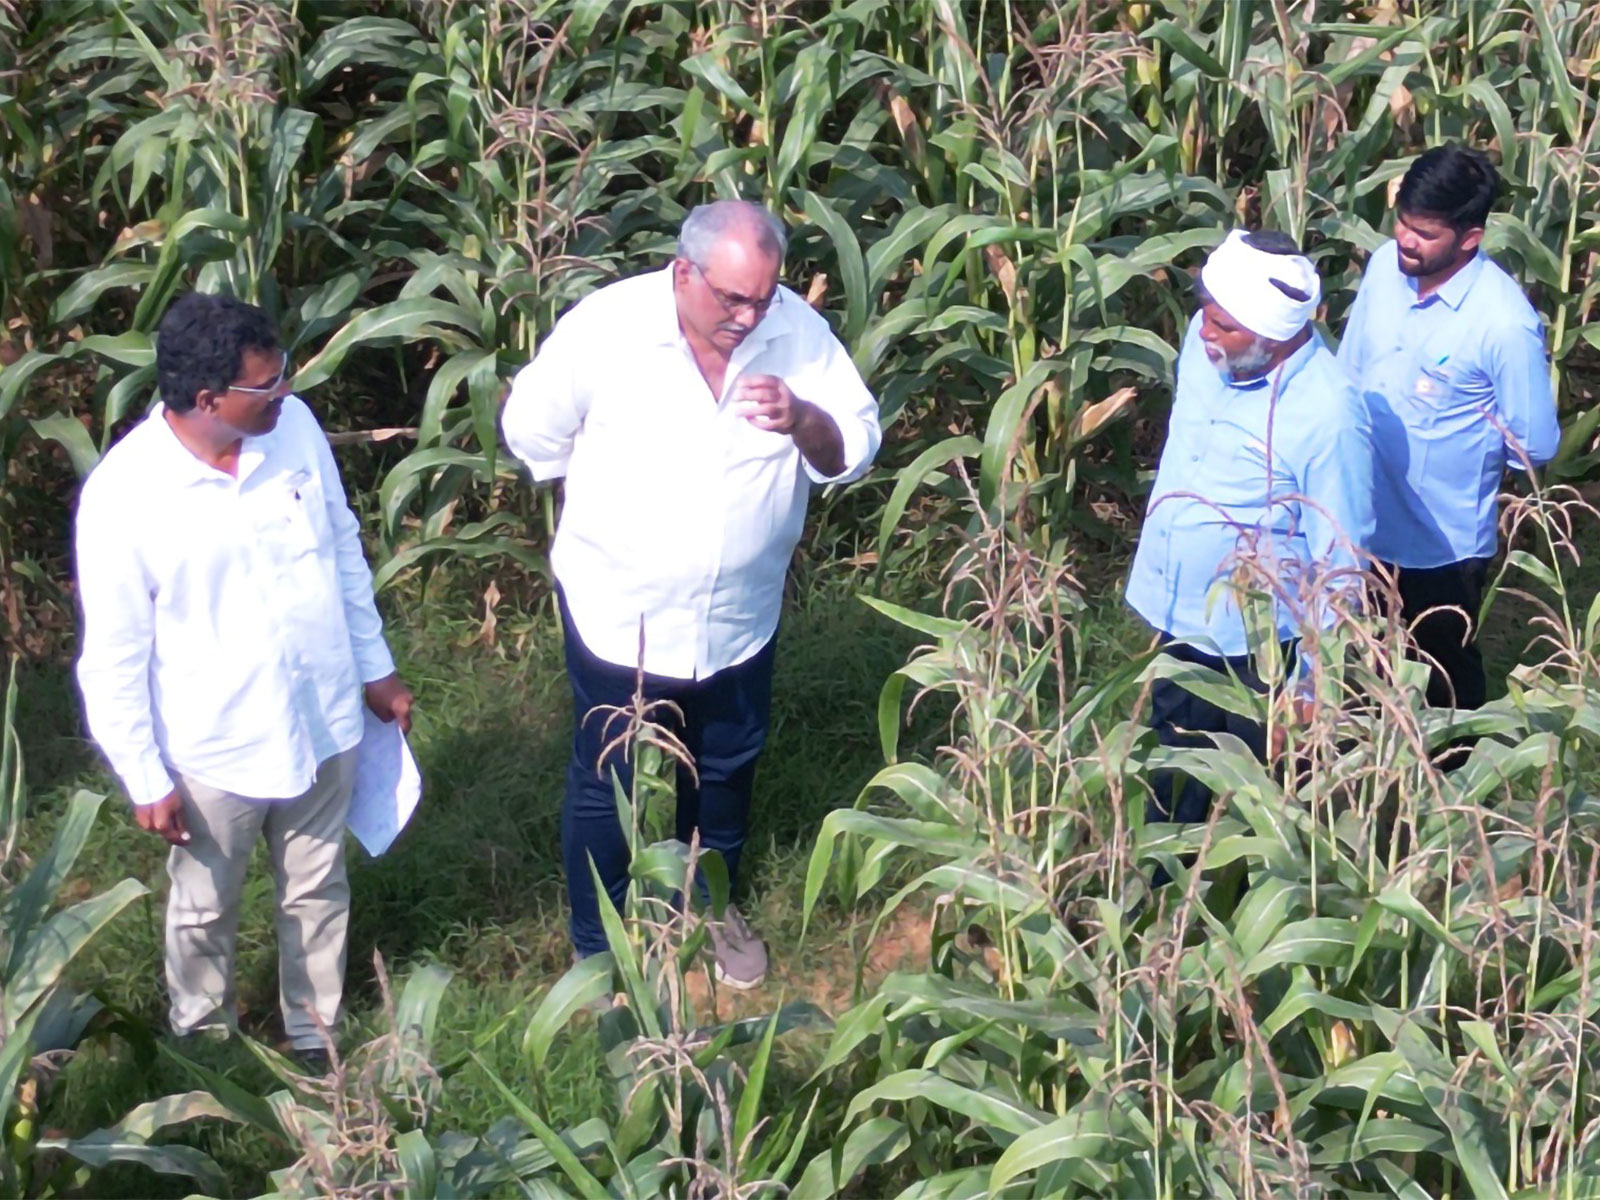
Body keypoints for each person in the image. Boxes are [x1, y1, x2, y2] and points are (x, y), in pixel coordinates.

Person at [502, 199, 881, 988]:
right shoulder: (608, 331)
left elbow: (851, 451)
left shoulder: (798, 334)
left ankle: (706, 910)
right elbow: (531, 432)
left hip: (740, 618)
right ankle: (596, 947)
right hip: (620, 617)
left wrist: (804, 418)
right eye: (730, 299)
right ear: (683, 274)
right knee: (608, 780)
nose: (747, 317)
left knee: (724, 770)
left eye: (762, 299)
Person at [75, 292, 413, 1069]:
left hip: (323, 716)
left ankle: (313, 1033)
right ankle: (204, 1048)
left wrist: (377, 668)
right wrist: (143, 774)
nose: (286, 392)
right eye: (267, 384)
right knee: (204, 907)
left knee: (317, 886)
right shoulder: (124, 500)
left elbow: (343, 548)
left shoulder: (292, 431)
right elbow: (114, 655)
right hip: (213, 747)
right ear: (206, 400)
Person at [1126, 229, 1375, 842]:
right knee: (1171, 776)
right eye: (1205, 317)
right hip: (1177, 615)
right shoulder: (1206, 342)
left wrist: (1314, 685)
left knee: (1242, 808)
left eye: (1224, 327)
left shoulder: (1330, 416)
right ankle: (1163, 912)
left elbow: (1341, 560)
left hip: (1254, 649)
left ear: (1276, 336)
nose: (1206, 334)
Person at [1338, 143, 1558, 712]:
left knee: (1442, 674)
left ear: (1470, 238)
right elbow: (1350, 367)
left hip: (1440, 546)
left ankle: (1454, 786)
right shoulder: (1387, 267)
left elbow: (1534, 441)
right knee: (1357, 666)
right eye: (1403, 224)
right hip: (1356, 519)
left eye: (1426, 233)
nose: (1407, 241)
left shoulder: (1504, 325)